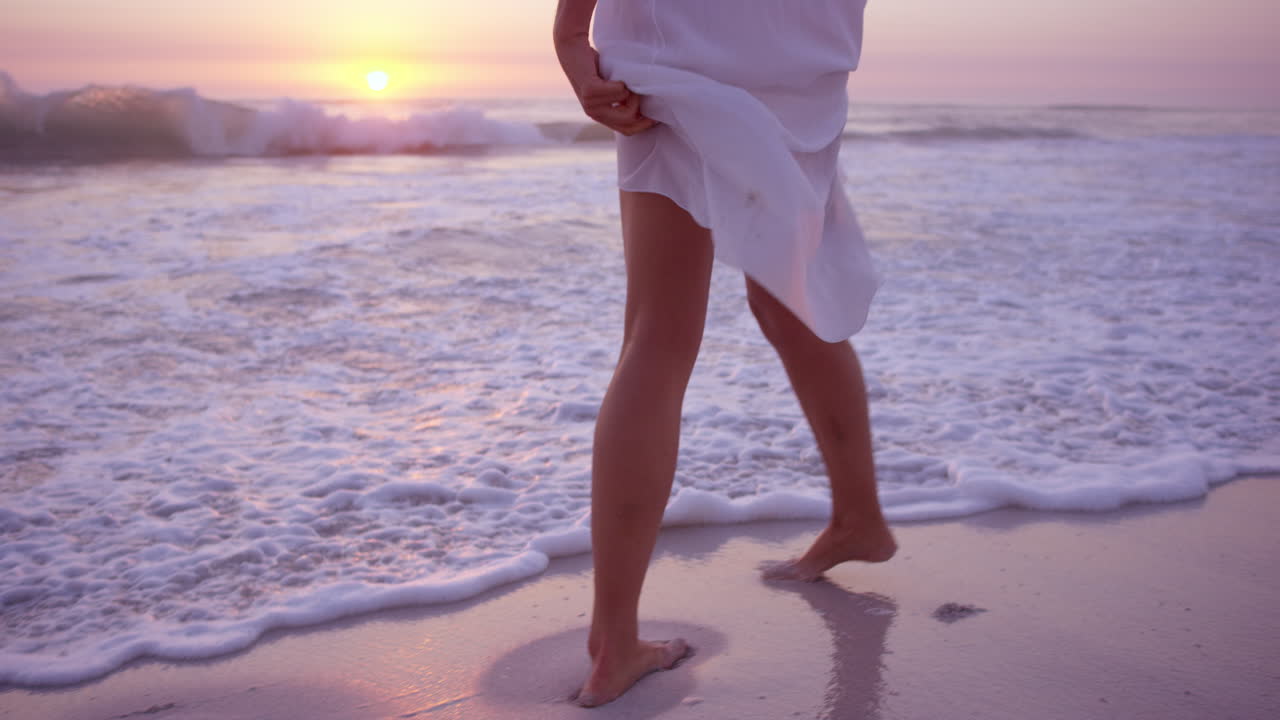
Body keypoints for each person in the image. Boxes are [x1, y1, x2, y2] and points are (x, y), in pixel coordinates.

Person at [553, 0, 897, 707]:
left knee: (659, 332)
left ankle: (615, 643)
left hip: (681, 53)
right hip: (798, 64)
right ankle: (858, 517)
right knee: (790, 292)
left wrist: (569, 35)